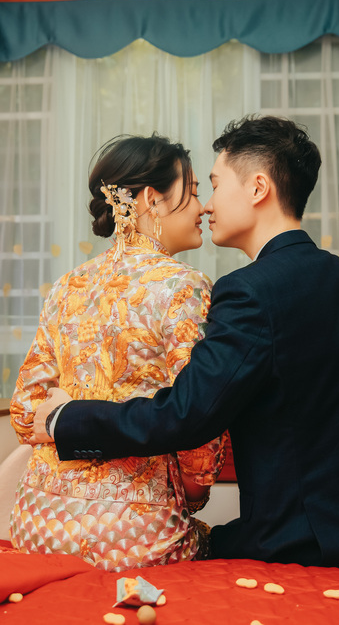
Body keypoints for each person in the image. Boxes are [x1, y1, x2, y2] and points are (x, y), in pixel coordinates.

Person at [33, 115, 339, 569]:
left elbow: (186, 414)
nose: (208, 206)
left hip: (312, 540)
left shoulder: (249, 292)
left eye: (214, 186)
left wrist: (65, 419)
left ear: (258, 189)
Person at [10, 134, 227, 571]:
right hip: (134, 533)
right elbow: (201, 422)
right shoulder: (185, 286)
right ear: (151, 199)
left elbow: (24, 411)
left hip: (37, 524)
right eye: (192, 193)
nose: (202, 207)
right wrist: (195, 491)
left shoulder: (68, 285)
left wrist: (66, 415)